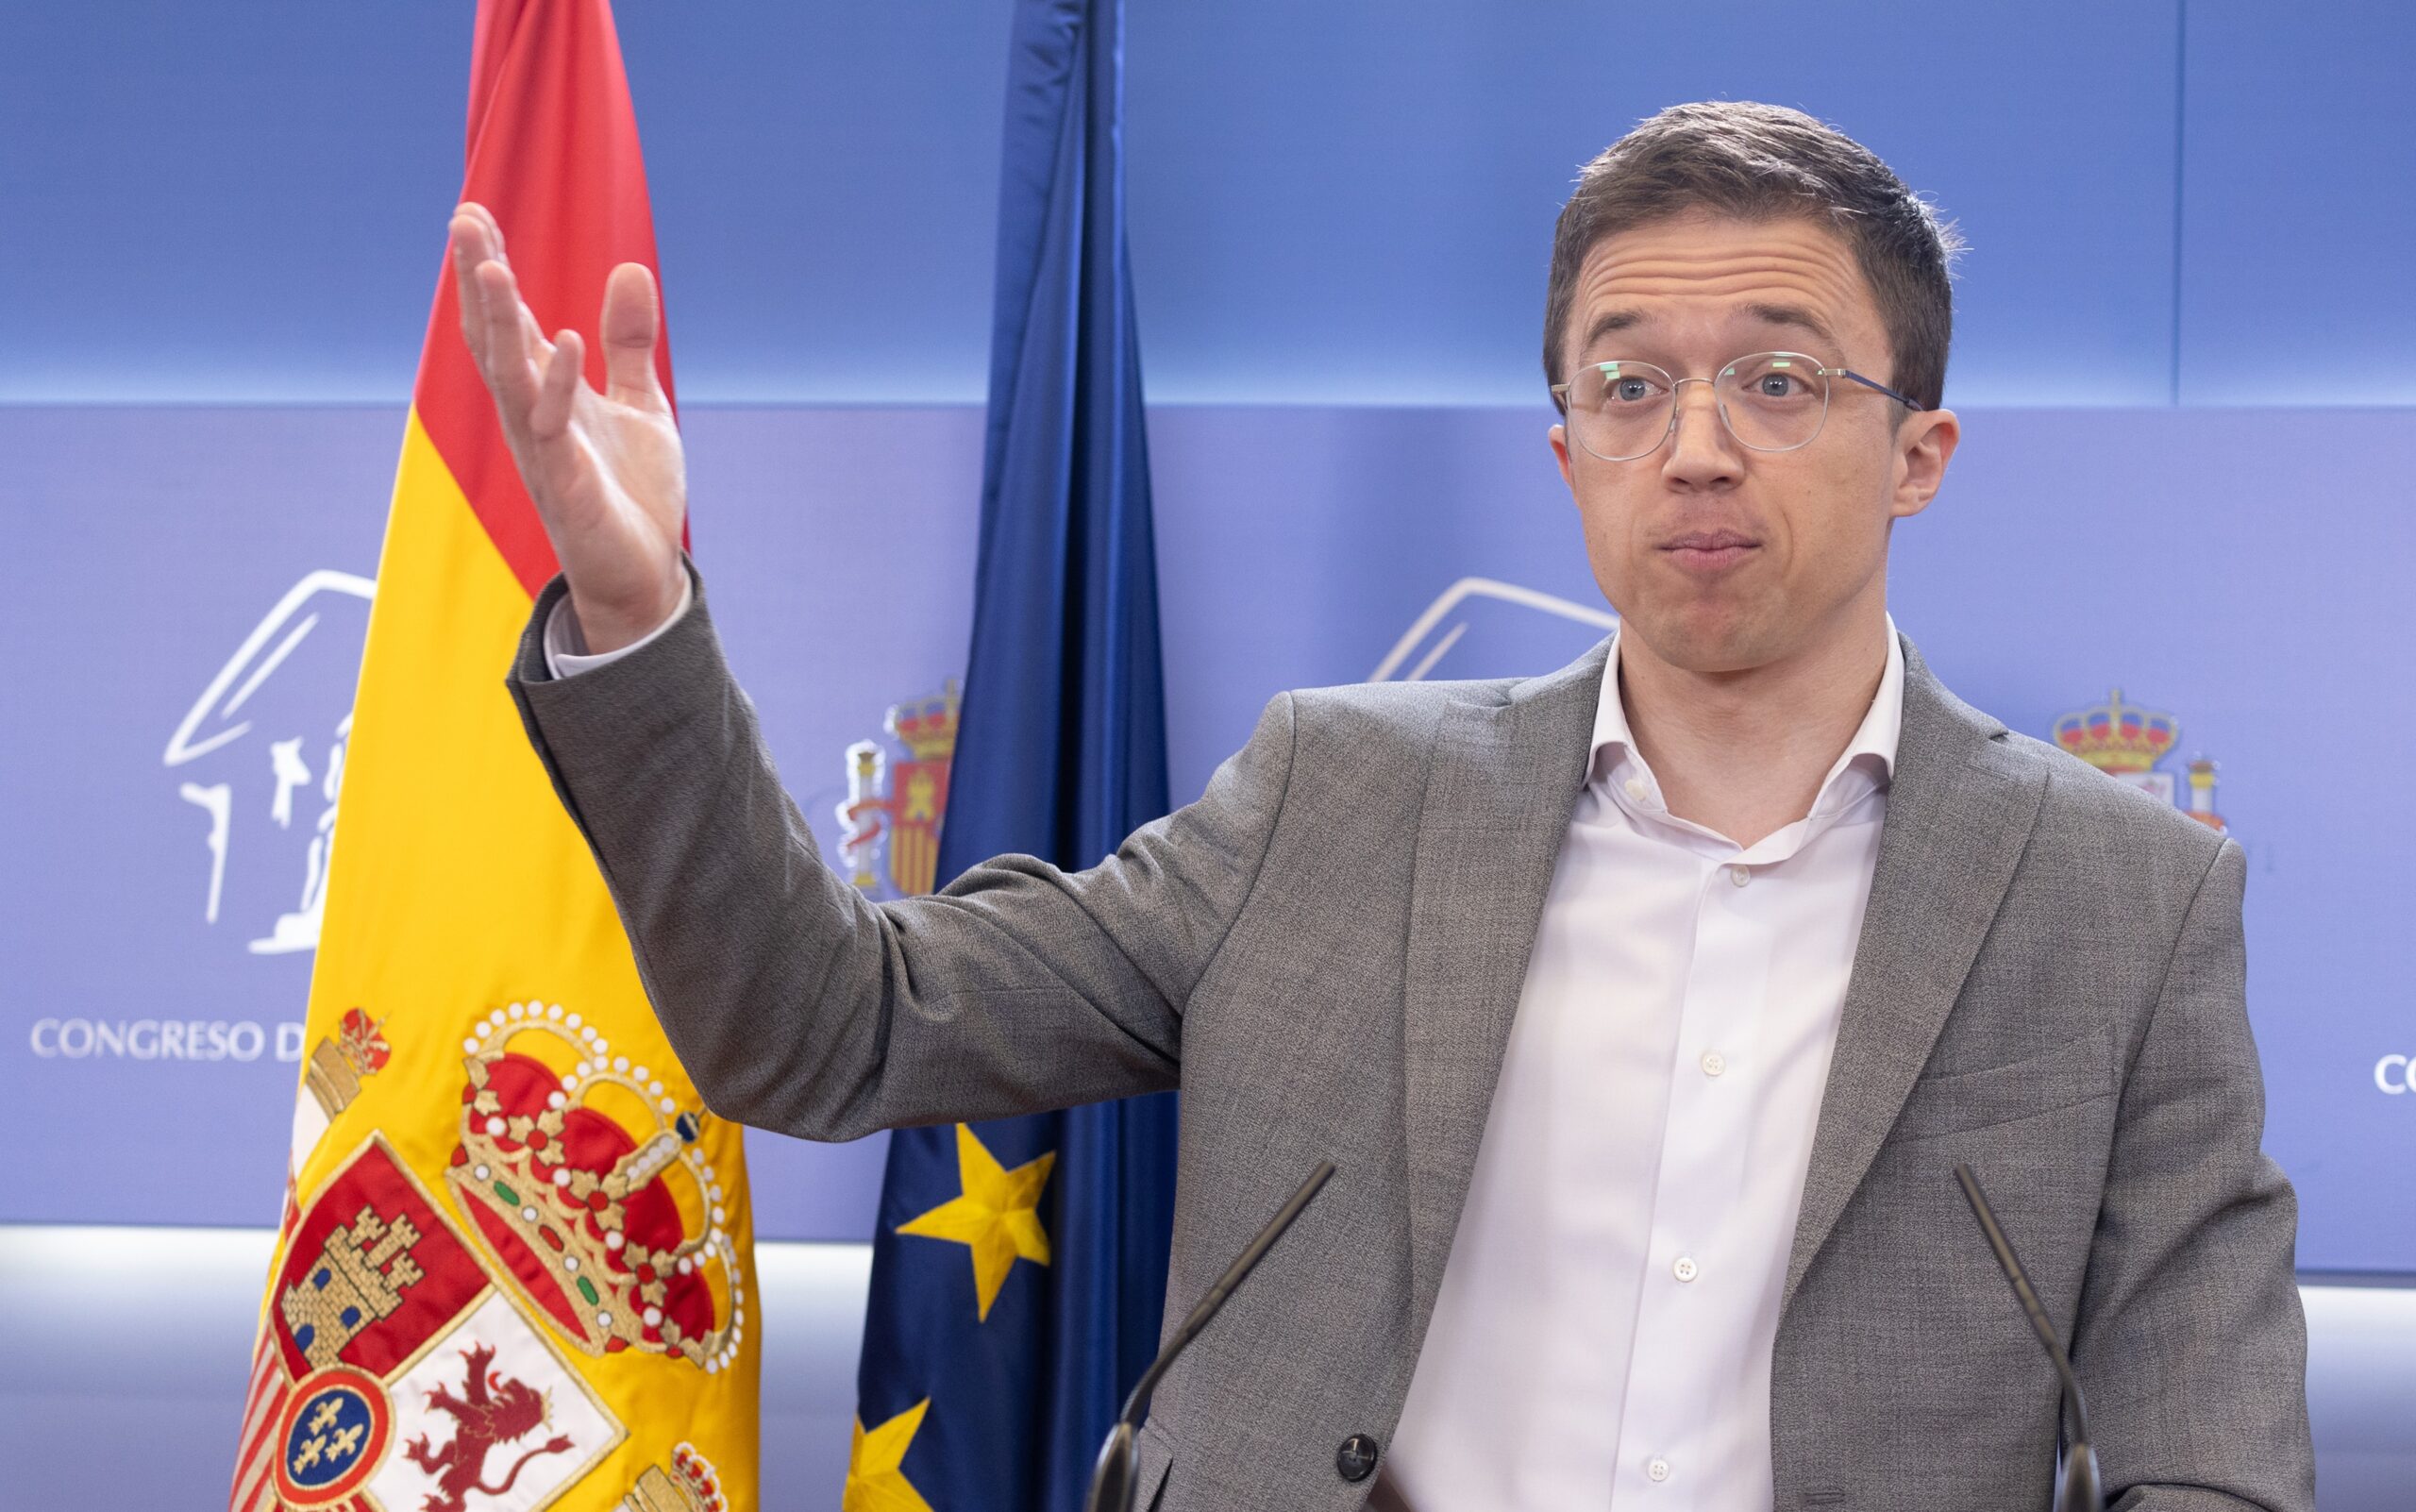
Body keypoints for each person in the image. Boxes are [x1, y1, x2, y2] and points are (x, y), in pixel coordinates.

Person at [457, 101, 2314, 1511]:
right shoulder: (1338, 795)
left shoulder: (2122, 904)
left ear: (1918, 451)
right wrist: (636, 612)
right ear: (1564, 449)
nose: (1693, 447)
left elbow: (2206, 1452)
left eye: (1777, 379)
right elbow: (822, 1028)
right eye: (1627, 384)